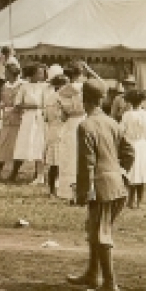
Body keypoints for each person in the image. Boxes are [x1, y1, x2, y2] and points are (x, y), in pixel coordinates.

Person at [67, 79, 124, 291]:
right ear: (103, 99)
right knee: (94, 230)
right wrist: (122, 172)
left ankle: (110, 284)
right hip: (115, 185)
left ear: (84, 99)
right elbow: (128, 150)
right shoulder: (112, 122)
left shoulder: (86, 125)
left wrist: (85, 191)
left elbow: (87, 162)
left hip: (101, 188)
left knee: (101, 235)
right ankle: (92, 274)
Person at [54, 64, 88, 202]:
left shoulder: (62, 91)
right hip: (83, 120)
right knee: (83, 155)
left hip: (70, 123)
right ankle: (82, 190)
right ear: (81, 74)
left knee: (69, 157)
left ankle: (68, 191)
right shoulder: (85, 88)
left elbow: (61, 114)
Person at [10, 65, 50, 183]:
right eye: (39, 73)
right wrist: (31, 106)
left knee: (39, 144)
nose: (41, 76)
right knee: (23, 144)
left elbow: (46, 104)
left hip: (40, 118)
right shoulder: (24, 86)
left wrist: (40, 108)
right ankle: (14, 172)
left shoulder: (45, 86)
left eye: (42, 73)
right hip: (28, 118)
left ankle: (39, 174)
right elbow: (17, 104)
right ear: (32, 74)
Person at [118, 88, 146, 208]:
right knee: (141, 172)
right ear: (142, 101)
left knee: (132, 172)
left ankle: (131, 199)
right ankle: (139, 200)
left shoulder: (127, 115)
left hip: (131, 144)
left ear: (130, 102)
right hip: (142, 145)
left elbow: (121, 131)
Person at [0, 64, 23, 180]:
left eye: (7, 72)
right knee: (3, 144)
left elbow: (20, 103)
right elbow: (3, 102)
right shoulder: (4, 86)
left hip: (17, 119)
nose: (5, 74)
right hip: (6, 119)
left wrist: (12, 107)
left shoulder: (21, 85)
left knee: (16, 145)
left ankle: (14, 172)